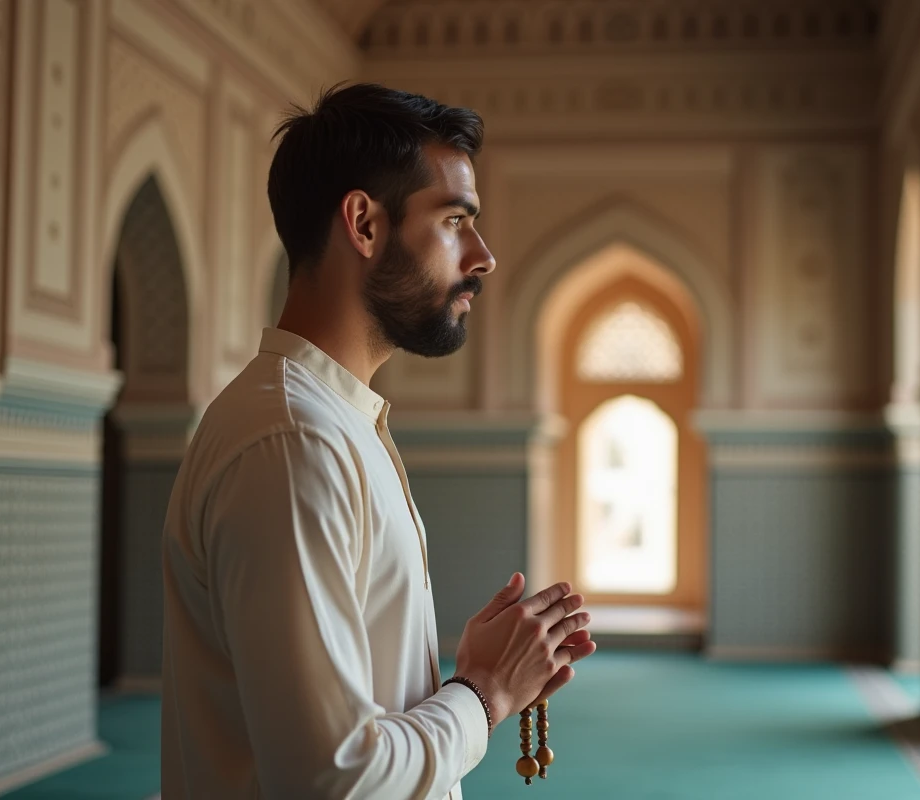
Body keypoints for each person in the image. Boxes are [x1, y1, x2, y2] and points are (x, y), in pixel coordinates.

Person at [159, 83, 598, 799]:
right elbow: (331, 778)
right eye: (455, 220)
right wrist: (484, 693)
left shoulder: (331, 421)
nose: (483, 256)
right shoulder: (293, 441)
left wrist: (474, 671)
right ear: (364, 223)